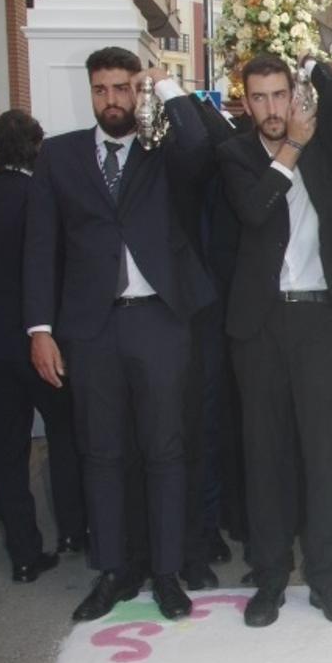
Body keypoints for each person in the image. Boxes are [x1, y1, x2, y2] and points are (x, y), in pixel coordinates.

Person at [24, 48, 213, 621]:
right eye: (102, 89)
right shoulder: (58, 156)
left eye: (123, 88)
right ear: (91, 92)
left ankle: (167, 571)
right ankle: (112, 570)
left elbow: (202, 151)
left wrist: (167, 88)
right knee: (101, 452)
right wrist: (40, 328)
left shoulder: (163, 151)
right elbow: (40, 246)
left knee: (165, 449)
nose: (113, 100)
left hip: (158, 319)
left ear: (137, 91)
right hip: (91, 327)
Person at [219, 56, 332, 629]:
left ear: (293, 94)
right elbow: (255, 211)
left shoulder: (326, 143)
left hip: (321, 317)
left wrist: (324, 77)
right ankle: (271, 577)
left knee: (326, 453)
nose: (271, 109)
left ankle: (326, 577)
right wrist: (292, 151)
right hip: (258, 325)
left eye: (279, 95)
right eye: (259, 98)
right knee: (265, 455)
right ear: (246, 103)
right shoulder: (234, 155)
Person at [0, 110, 85, 581]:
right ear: (37, 147)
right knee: (67, 436)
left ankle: (25, 554)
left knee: (5, 453)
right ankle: (73, 531)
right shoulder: (42, 196)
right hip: (44, 342)